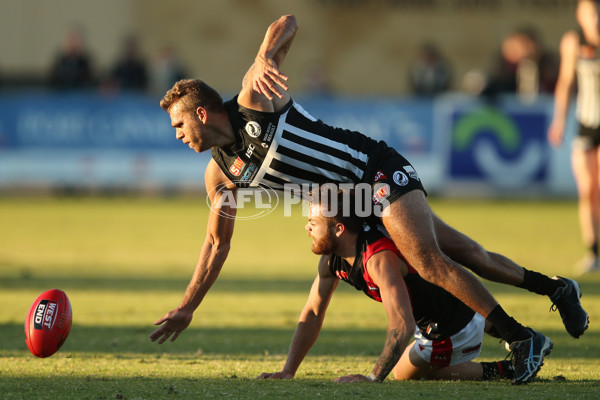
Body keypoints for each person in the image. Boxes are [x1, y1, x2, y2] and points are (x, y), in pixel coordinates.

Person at [150, 15, 587, 384]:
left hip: (372, 170)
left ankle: (521, 338)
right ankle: (556, 289)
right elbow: (215, 245)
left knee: (429, 262)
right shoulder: (220, 175)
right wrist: (188, 307)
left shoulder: (253, 99)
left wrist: (265, 56)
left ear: (202, 114)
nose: (178, 135)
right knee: (465, 252)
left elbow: (287, 22)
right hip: (351, 203)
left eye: (179, 125)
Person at [258, 189, 525, 383]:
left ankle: (506, 369)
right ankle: (522, 339)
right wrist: (288, 371)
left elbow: (402, 324)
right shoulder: (332, 259)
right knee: (404, 362)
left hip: (450, 325)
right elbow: (314, 312)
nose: (307, 228)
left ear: (338, 229)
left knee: (401, 373)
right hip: (448, 307)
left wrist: (373, 378)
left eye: (313, 223)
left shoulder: (378, 260)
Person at [548, 0, 600, 274]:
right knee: (588, 190)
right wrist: (559, 120)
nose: (597, 19)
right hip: (585, 125)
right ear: (581, 16)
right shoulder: (573, 42)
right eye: (592, 13)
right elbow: (566, 81)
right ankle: (593, 252)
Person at [49, 25, 94, 90]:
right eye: (71, 40)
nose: (73, 43)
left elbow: (89, 82)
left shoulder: (85, 62)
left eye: (75, 40)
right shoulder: (60, 61)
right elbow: (52, 82)